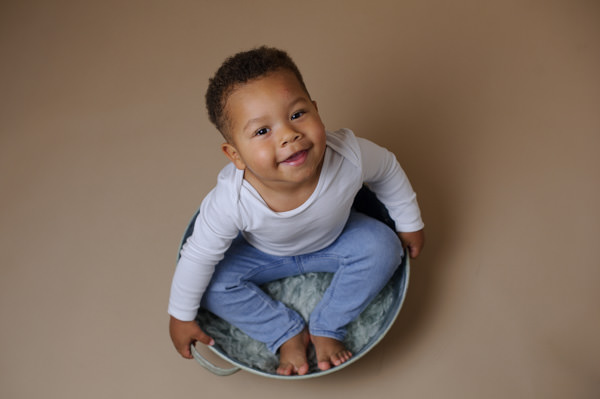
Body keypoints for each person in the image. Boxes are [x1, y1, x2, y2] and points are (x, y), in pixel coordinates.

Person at [168, 46, 425, 376]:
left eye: (297, 114)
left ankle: (327, 325)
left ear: (316, 110)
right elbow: (198, 255)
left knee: (385, 247)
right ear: (236, 155)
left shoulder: (349, 157)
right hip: (263, 255)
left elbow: (387, 169)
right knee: (211, 286)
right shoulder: (230, 200)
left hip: (336, 240)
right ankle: (283, 331)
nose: (289, 135)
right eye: (262, 131)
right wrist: (180, 315)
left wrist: (409, 222)